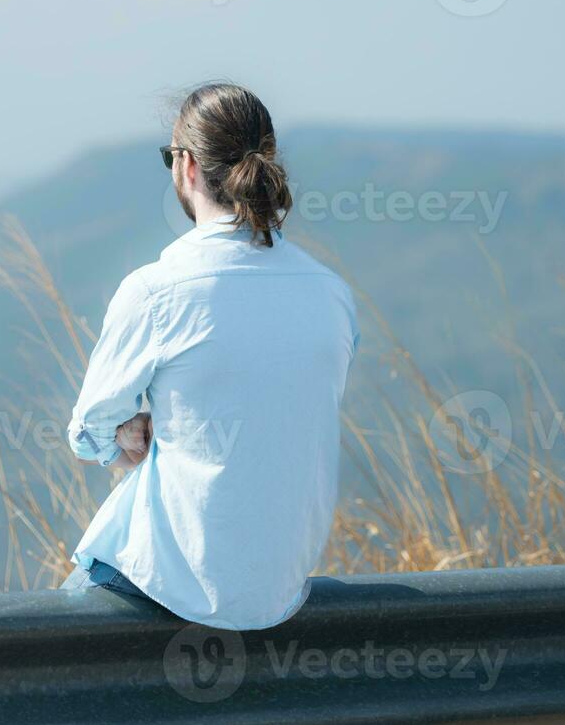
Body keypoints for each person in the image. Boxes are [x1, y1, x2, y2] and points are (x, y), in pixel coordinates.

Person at [62, 83, 359, 630]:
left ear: (187, 166)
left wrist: (129, 437)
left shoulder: (156, 291)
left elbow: (87, 433)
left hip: (167, 582)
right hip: (279, 594)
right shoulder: (332, 294)